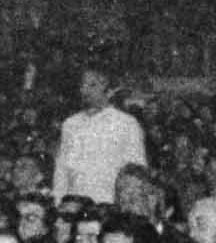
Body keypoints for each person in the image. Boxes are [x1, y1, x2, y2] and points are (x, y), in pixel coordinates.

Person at [53, 68, 149, 205]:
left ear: (106, 87)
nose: (85, 91)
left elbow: (136, 170)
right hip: (75, 204)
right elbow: (61, 171)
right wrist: (58, 203)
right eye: (82, 85)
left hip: (109, 204)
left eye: (92, 85)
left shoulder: (126, 123)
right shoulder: (70, 124)